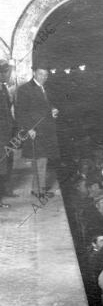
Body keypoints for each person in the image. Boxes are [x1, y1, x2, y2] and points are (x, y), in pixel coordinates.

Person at [15, 61, 60, 198]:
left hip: (45, 130)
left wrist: (52, 111)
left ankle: (36, 189)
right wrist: (28, 129)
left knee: (41, 160)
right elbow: (20, 112)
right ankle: (40, 192)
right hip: (35, 131)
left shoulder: (44, 88)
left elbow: (44, 107)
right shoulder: (25, 89)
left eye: (46, 75)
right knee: (40, 161)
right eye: (40, 74)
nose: (43, 77)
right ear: (34, 73)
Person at [0, 60, 13, 207]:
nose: (8, 75)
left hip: (6, 134)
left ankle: (4, 193)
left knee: (6, 164)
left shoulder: (3, 88)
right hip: (0, 134)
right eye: (6, 73)